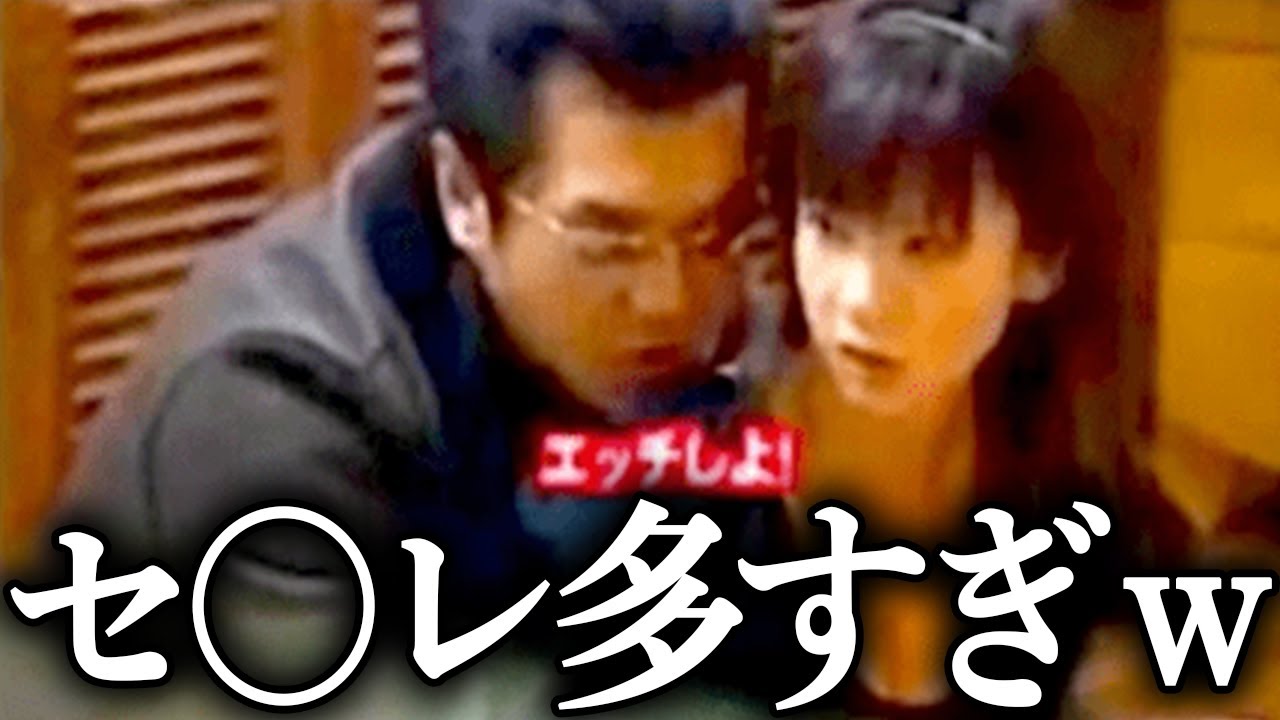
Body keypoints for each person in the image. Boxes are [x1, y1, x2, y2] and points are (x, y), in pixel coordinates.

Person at [50, 0, 772, 673]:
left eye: (712, 228)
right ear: (461, 193)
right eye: (607, 245)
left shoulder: (710, 313)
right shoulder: (268, 411)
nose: (668, 300)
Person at [750, 0, 1186, 715]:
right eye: (830, 229)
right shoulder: (680, 501)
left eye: (924, 246)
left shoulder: (1096, 536)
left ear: (1039, 257)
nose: (864, 298)